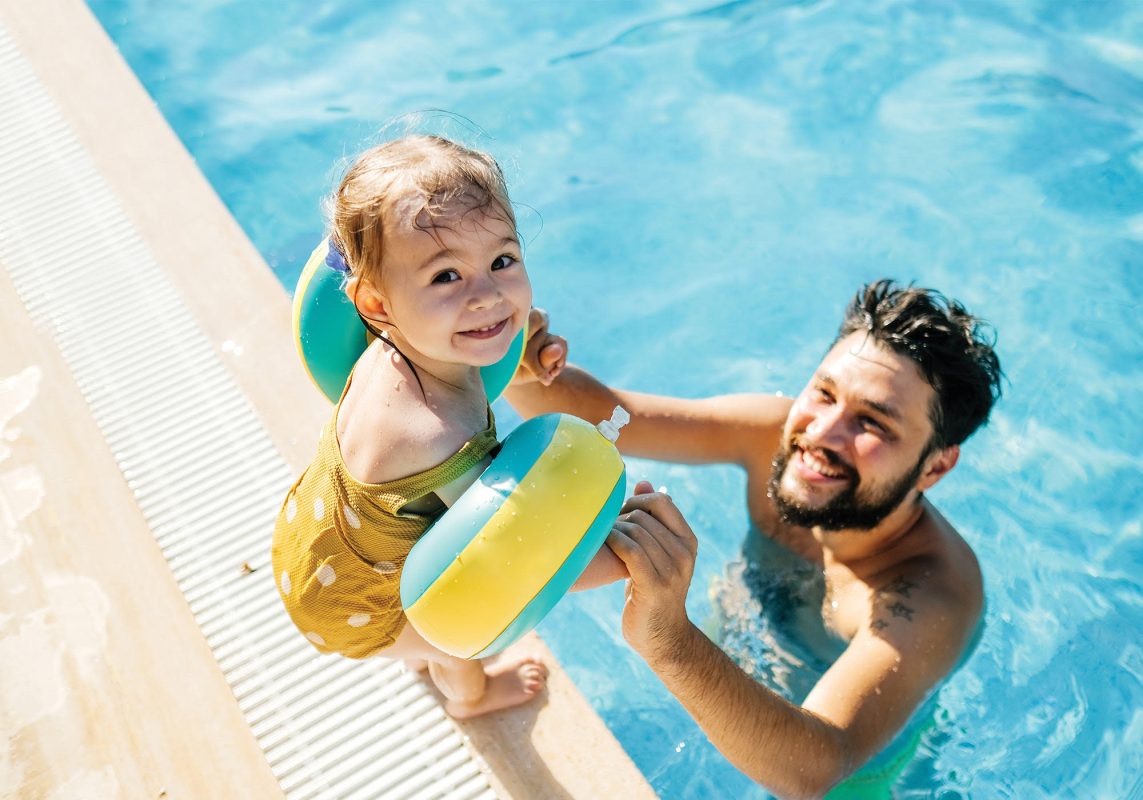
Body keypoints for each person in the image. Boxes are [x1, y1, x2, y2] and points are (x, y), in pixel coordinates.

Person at [507, 280, 1002, 797]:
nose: (821, 434)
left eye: (872, 423)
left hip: (849, 774)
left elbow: (814, 767)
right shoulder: (774, 435)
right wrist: (522, 367)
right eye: (824, 393)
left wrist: (668, 639)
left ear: (936, 466)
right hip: (736, 663)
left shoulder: (929, 595)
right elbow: (604, 412)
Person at [271, 135, 625, 719]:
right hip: (354, 605)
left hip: (310, 544)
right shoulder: (436, 436)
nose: (486, 297)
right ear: (378, 303)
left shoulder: (389, 342)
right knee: (452, 643)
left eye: (502, 261)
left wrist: (525, 355)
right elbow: (507, 555)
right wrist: (620, 552)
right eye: (445, 278)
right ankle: (470, 701)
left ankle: (415, 650)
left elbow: (479, 339)